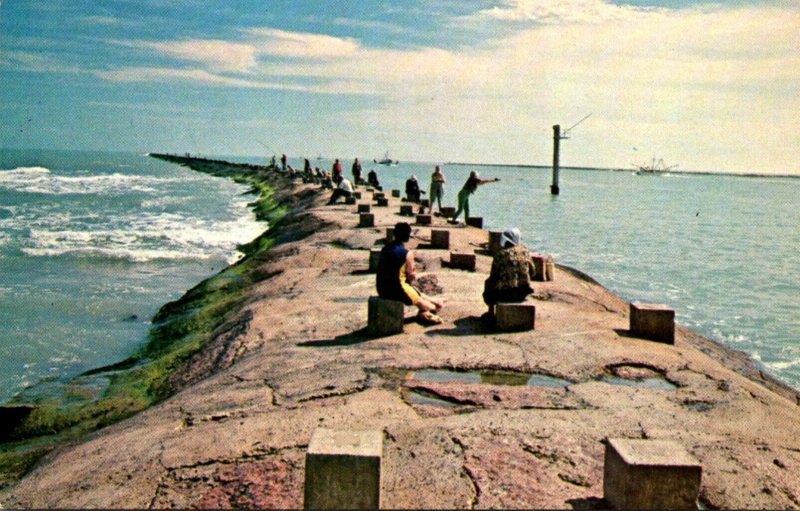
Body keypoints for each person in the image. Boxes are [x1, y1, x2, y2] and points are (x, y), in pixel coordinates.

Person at [377, 222, 444, 325]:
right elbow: (412, 277)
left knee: (415, 291)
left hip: (382, 289)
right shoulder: (407, 254)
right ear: (408, 236)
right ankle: (425, 311)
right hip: (398, 290)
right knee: (434, 307)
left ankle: (434, 300)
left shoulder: (385, 249)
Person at [482, 228, 536, 320]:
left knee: (488, 283)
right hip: (523, 293)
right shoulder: (525, 252)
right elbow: (533, 272)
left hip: (504, 295)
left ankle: (490, 312)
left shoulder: (500, 255)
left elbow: (494, 277)